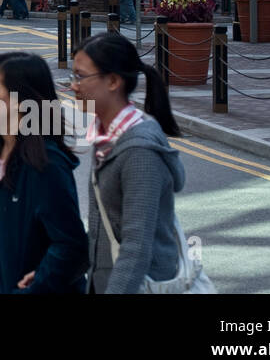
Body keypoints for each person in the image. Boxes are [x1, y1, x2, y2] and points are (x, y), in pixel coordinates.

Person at [72, 33, 185, 293]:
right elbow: (102, 230)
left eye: (80, 76)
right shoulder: (107, 136)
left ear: (112, 81)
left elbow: (136, 247)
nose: (74, 86)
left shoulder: (139, 151)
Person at [0, 52, 88, 294]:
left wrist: (36, 287)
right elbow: (5, 224)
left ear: (18, 100)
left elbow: (72, 246)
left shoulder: (46, 165)